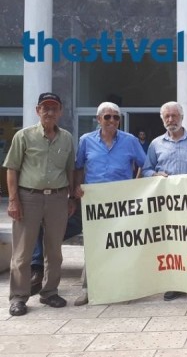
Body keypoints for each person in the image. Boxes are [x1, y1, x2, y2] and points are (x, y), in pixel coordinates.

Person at [3, 93, 76, 316]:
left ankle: (50, 292)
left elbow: (70, 170)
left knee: (54, 250)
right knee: (23, 252)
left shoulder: (66, 138)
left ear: (60, 111)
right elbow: (12, 169)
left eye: (54, 108)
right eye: (45, 108)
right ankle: (18, 297)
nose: (50, 112)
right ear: (38, 110)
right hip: (29, 197)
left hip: (57, 198)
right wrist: (13, 200)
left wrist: (71, 197)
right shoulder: (23, 136)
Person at [72, 101, 146, 306]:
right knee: (94, 246)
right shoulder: (86, 140)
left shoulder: (130, 141)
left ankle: (123, 289)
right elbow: (78, 167)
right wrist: (76, 187)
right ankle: (88, 290)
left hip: (122, 202)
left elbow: (145, 164)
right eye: (107, 117)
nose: (112, 120)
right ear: (98, 119)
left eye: (116, 117)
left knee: (122, 244)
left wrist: (138, 184)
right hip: (95, 204)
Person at [142, 101, 187, 302]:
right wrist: (155, 174)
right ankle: (176, 285)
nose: (170, 119)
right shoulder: (156, 144)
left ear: (182, 117)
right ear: (162, 119)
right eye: (166, 116)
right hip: (167, 204)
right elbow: (146, 169)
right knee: (172, 244)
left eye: (174, 115)